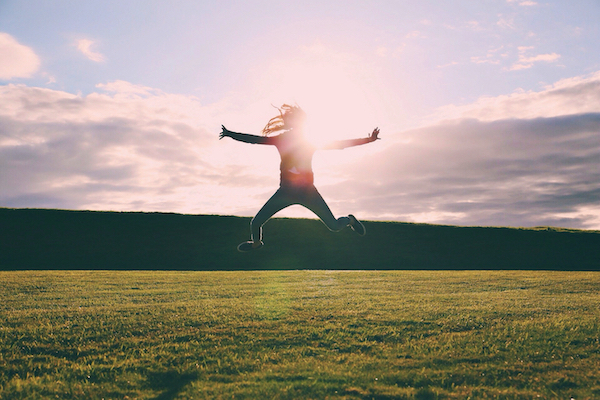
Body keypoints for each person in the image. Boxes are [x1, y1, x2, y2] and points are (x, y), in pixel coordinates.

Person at [220, 104, 380, 252]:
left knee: (335, 226)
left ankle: (350, 220)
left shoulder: (310, 141)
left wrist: (368, 140)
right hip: (285, 193)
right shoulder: (281, 139)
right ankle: (256, 244)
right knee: (255, 223)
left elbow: (339, 144)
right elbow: (254, 140)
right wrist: (230, 133)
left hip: (308, 193)